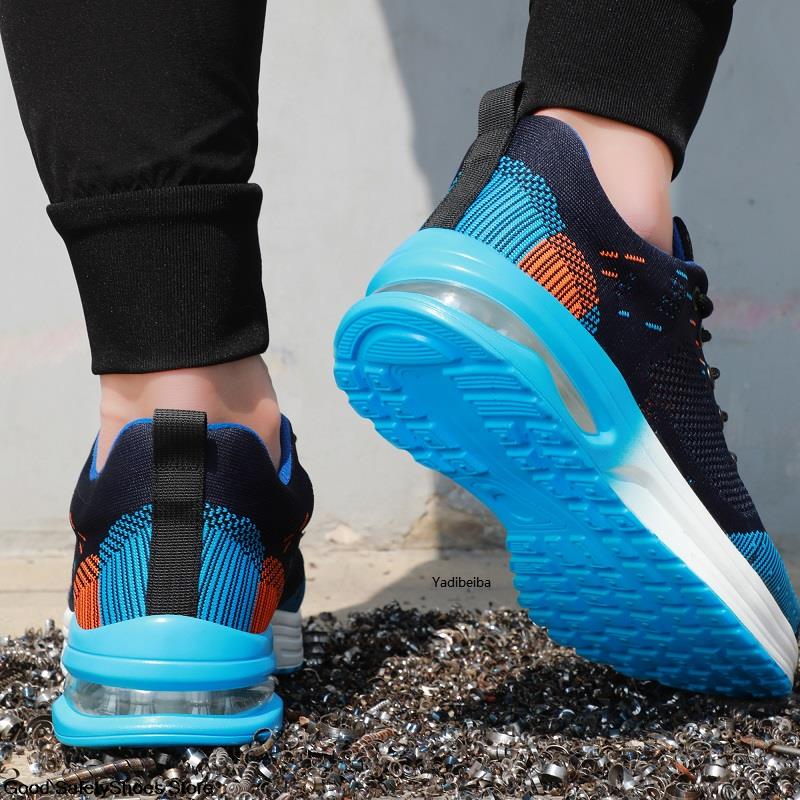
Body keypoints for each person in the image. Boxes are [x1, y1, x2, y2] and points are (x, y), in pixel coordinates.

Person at [0, 0, 795, 748]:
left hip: (146, 557)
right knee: (601, 130)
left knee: (176, 394)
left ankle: (171, 495)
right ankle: (586, 225)